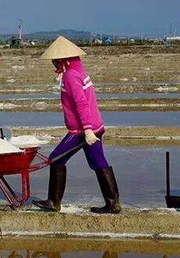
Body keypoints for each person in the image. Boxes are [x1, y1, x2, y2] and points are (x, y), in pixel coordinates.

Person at [33, 37, 121, 214]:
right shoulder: (78, 69)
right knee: (98, 162)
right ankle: (113, 203)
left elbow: (81, 104)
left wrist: (87, 130)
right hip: (96, 126)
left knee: (56, 159)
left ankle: (53, 201)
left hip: (82, 130)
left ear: (63, 59)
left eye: (56, 61)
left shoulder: (71, 75)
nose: (54, 64)